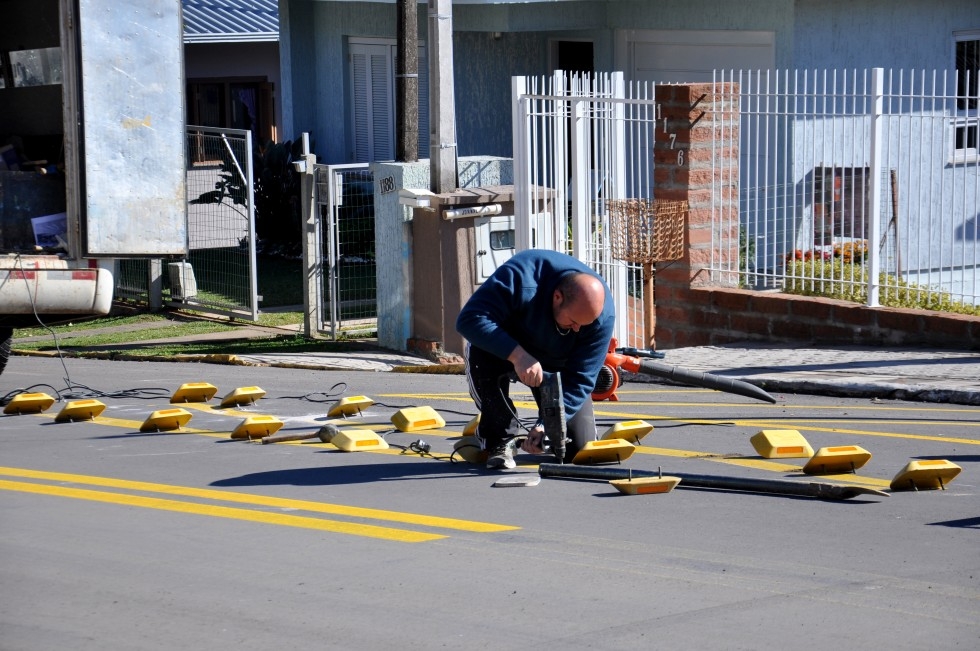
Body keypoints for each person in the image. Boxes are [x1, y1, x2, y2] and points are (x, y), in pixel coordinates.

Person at [455, 249, 615, 469]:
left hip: (556, 362)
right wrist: (518, 356)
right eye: (573, 321)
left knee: (577, 449)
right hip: (504, 349)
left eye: (584, 324)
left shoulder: (601, 316)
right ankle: (499, 438)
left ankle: (550, 435)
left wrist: (545, 426)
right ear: (557, 297)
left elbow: (581, 380)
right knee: (483, 358)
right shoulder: (521, 278)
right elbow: (469, 319)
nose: (578, 329)